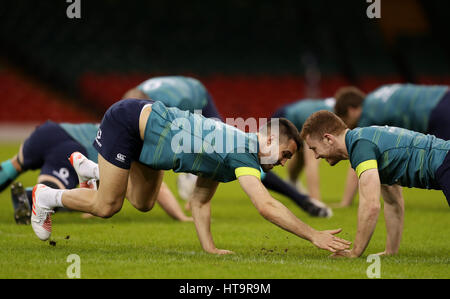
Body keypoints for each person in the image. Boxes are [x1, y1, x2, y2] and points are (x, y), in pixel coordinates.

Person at [31, 99, 351, 255]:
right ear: (268, 140)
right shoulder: (242, 151)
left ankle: (97, 171)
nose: (283, 163)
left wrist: (209, 248)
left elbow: (199, 200)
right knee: (106, 206)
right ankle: (45, 197)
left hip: (148, 140)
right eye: (285, 154)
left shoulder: (231, 155)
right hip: (129, 122)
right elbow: (265, 205)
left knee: (143, 202)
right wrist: (313, 235)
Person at [124, 76, 331, 217]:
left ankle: (303, 200)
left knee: (245, 155)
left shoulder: (157, 108)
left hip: (199, 101)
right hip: (188, 92)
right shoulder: (139, 99)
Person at [300, 110, 450, 258]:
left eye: (314, 148)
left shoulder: (360, 146)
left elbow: (371, 205)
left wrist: (355, 252)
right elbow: (393, 202)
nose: (316, 155)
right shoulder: (363, 139)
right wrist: (391, 252)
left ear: (328, 139)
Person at [0, 120, 193, 224]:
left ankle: (31, 197)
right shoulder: (138, 144)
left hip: (49, 131)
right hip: (71, 148)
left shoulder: (120, 123)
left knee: (14, 165)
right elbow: (157, 189)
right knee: (53, 194)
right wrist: (180, 217)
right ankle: (27, 198)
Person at [334, 83, 450, 206]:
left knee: (444, 161)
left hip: (437, 113)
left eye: (346, 120)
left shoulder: (367, 115)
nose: (349, 126)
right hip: (444, 95)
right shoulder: (376, 94)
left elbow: (359, 156)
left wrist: (346, 202)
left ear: (352, 111)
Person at [271, 97, 336, 202]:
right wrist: (316, 202)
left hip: (291, 117)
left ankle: (292, 182)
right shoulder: (323, 120)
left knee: (302, 155)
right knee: (311, 158)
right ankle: (314, 199)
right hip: (283, 120)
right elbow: (311, 162)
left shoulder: (331, 109)